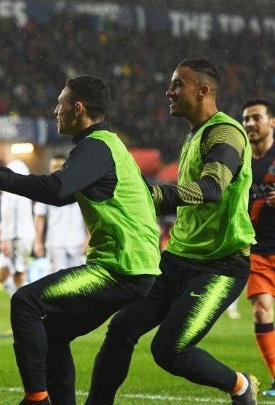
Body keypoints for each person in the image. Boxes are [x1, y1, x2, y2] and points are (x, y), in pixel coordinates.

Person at [0, 75, 161, 405]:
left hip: (120, 268)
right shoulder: (106, 145)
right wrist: (4, 172)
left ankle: (36, 398)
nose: (56, 110)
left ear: (78, 108)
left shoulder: (95, 146)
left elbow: (57, 191)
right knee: (53, 334)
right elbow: (66, 192)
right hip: (132, 267)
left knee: (25, 302)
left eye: (60, 104)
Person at [86, 58, 259, 405]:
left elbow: (212, 188)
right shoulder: (194, 134)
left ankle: (240, 386)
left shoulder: (225, 132)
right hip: (177, 259)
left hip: (219, 267)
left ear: (203, 90)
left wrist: (154, 194)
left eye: (178, 84)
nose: (169, 91)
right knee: (121, 330)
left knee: (169, 349)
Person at [242, 98, 275, 396]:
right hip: (259, 251)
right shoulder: (241, 163)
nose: (250, 124)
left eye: (256, 118)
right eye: (246, 119)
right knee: (262, 311)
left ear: (272, 121)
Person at [0, 140, 36, 296]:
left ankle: (33, 307)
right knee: (1, 275)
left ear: (2, 151)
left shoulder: (15, 170)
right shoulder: (14, 169)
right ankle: (22, 303)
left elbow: (13, 207)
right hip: (13, 232)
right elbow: (11, 207)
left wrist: (5, 237)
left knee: (19, 276)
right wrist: (1, 227)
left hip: (18, 235)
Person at [33, 155, 88, 274]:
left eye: (60, 166)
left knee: (77, 283)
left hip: (77, 243)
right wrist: (38, 241)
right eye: (54, 167)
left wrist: (89, 239)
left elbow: (90, 215)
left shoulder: (80, 188)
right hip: (55, 244)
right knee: (58, 284)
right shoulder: (45, 190)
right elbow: (39, 217)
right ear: (49, 168)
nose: (56, 170)